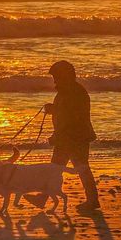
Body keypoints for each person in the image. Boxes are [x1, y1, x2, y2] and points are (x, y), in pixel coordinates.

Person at [44, 60, 100, 213]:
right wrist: (53, 109)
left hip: (75, 138)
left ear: (65, 75)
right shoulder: (67, 91)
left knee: (81, 168)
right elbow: (64, 112)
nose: (54, 80)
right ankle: (42, 198)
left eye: (56, 76)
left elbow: (70, 118)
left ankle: (93, 200)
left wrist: (57, 135)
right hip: (69, 137)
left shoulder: (73, 92)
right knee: (56, 168)